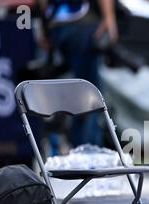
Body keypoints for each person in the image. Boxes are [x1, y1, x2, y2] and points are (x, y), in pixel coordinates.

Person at [39, 0, 118, 148]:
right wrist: (109, 17)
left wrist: (46, 29)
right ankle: (89, 154)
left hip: (57, 24)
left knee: (74, 92)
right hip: (82, 24)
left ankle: (75, 149)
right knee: (90, 96)